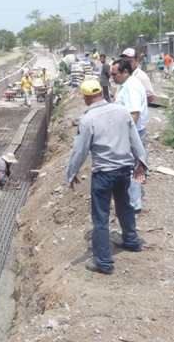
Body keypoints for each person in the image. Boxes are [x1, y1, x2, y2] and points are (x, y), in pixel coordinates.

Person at [66, 79, 147, 275]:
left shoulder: (87, 120)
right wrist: (141, 162)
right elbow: (135, 138)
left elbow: (79, 151)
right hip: (123, 171)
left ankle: (103, 263)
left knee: (101, 218)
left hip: (103, 174)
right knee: (124, 206)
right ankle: (131, 241)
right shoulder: (121, 111)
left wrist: (71, 174)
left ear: (85, 98)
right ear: (102, 92)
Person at [111, 59, 148, 213]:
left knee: (133, 167)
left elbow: (134, 115)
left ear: (125, 72)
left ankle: (133, 205)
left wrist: (124, 136)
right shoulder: (127, 85)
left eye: (115, 74)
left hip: (133, 133)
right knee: (132, 166)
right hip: (132, 132)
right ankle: (130, 200)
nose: (112, 77)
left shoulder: (131, 87)